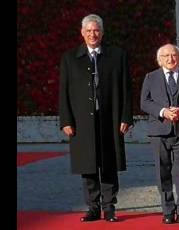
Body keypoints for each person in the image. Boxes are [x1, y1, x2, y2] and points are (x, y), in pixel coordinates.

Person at [59, 14, 133, 222]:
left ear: (102, 32)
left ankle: (109, 207)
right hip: (82, 120)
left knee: (109, 163)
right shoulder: (70, 58)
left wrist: (126, 116)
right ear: (82, 33)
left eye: (96, 30)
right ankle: (92, 208)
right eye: (89, 31)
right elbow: (63, 91)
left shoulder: (117, 55)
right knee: (88, 165)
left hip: (110, 118)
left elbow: (126, 88)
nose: (93, 34)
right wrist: (66, 120)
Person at [140, 44, 179, 224]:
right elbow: (144, 102)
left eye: (173, 55)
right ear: (159, 60)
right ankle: (168, 210)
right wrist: (162, 112)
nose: (170, 58)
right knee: (162, 171)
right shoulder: (151, 77)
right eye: (166, 56)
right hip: (159, 131)